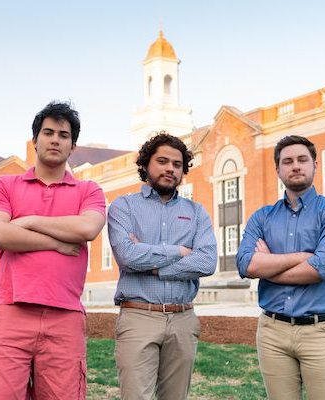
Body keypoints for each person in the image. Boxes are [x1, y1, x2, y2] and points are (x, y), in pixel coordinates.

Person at [0, 101, 106, 399]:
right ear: (35, 140)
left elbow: (88, 229)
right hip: (11, 312)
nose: (55, 139)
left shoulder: (89, 191)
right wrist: (57, 242)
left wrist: (30, 221)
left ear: (72, 146)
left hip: (65, 317)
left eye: (63, 134)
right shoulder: (5, 185)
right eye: (48, 132)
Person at [236, 135, 325, 400]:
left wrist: (270, 268)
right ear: (278, 169)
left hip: (322, 333)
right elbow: (246, 264)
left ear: (314, 164)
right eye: (287, 161)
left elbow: (324, 267)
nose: (296, 166)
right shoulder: (262, 217)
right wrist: (304, 255)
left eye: (303, 160)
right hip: (272, 333)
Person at [108, 132, 217, 400]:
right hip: (138, 317)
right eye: (163, 161)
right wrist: (180, 252)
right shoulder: (124, 207)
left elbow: (206, 261)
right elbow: (128, 256)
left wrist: (156, 266)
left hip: (183, 319)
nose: (170, 168)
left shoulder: (196, 212)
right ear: (145, 165)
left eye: (177, 164)